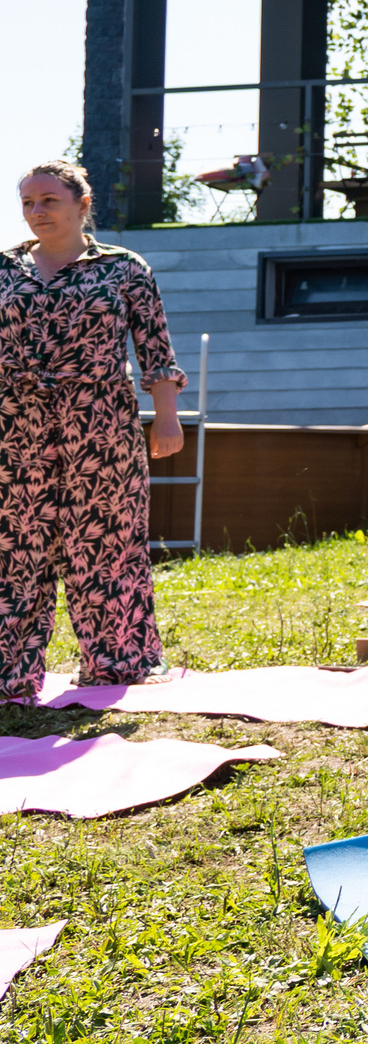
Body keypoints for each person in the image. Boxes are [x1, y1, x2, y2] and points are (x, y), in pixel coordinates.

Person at [1, 160, 186, 699]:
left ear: (82, 204)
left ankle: (118, 661)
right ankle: (7, 674)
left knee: (107, 543)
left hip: (101, 427)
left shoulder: (125, 268)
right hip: (16, 429)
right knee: (15, 547)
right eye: (28, 203)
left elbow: (154, 347)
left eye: (49, 201)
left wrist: (167, 416)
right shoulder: (3, 269)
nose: (37, 212)